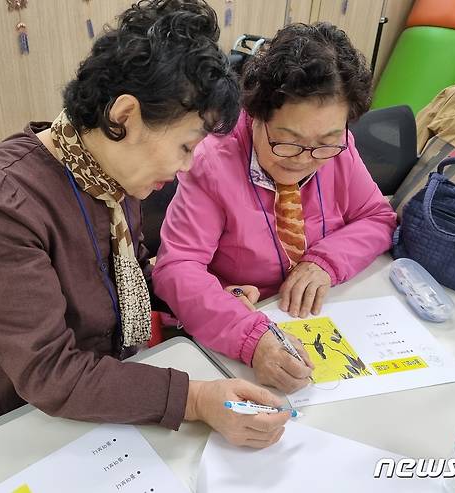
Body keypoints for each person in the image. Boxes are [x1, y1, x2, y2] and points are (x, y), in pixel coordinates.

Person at [0, 0, 291, 473]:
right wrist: (198, 398)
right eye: (185, 146)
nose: (186, 166)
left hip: (94, 401)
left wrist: (210, 298)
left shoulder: (110, 172)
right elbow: (48, 371)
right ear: (124, 115)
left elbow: (124, 275)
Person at [152, 23, 397, 395]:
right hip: (236, 322)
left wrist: (324, 262)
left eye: (326, 142)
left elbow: (378, 217)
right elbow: (177, 268)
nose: (306, 159)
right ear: (256, 114)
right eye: (288, 141)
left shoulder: (338, 149)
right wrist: (251, 338)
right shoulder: (212, 161)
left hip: (318, 317)